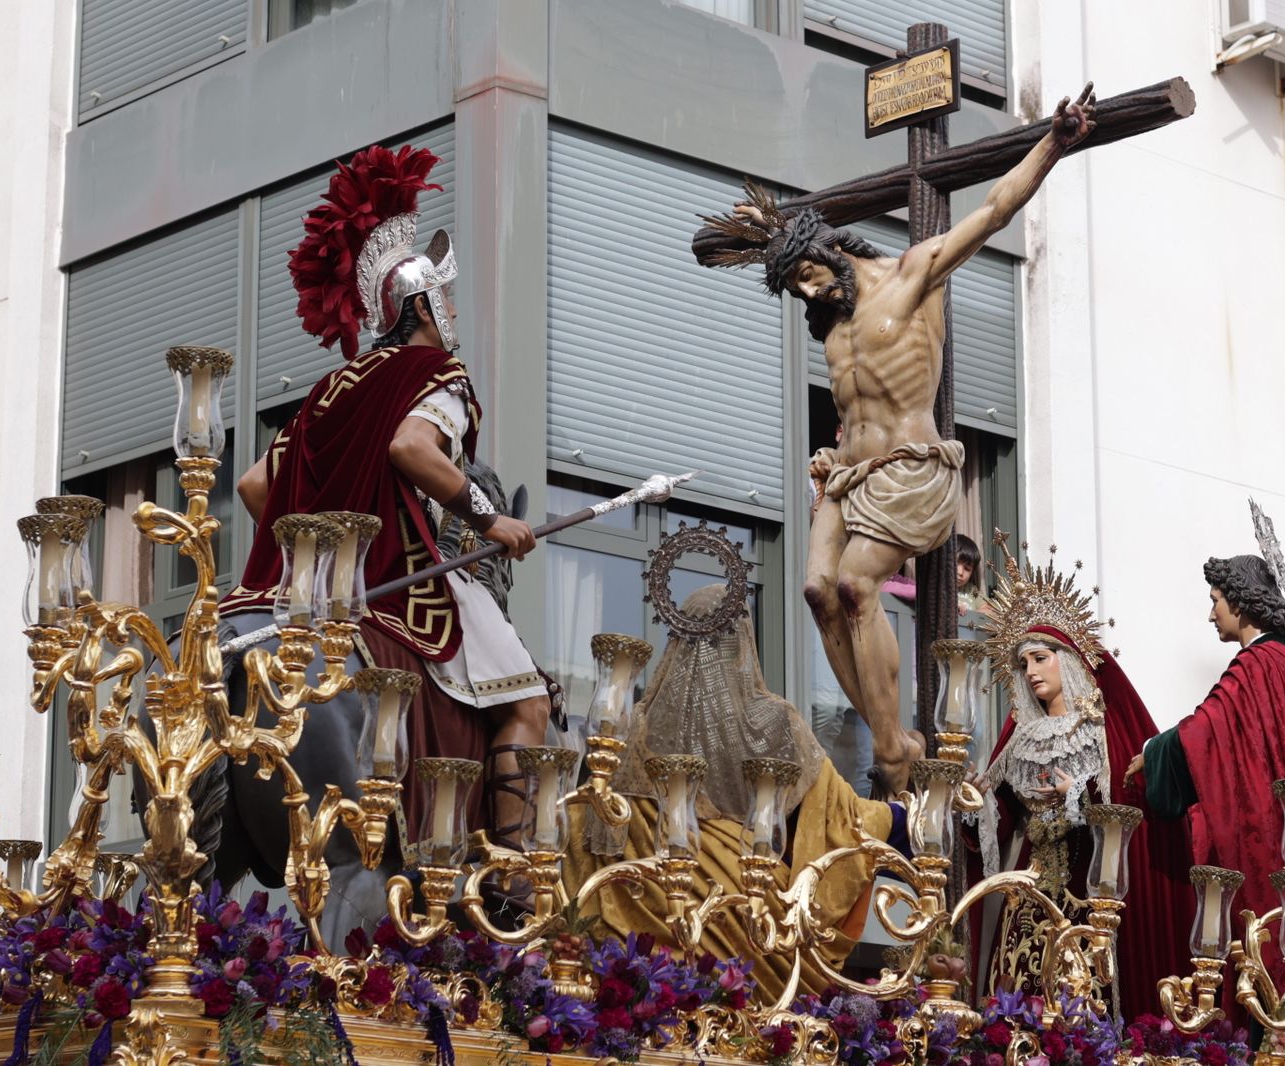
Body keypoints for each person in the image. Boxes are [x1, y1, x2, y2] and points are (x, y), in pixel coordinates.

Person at [702, 85, 1098, 795]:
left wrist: (1055, 143)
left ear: (828, 249)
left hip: (911, 471)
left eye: (808, 276)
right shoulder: (834, 319)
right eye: (794, 288)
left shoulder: (913, 276)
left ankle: (891, 750)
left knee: (857, 586)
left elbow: (993, 209)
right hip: (847, 475)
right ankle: (893, 735)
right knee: (817, 591)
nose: (808, 294)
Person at [223, 144, 552, 847]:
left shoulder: (329, 391)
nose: (455, 309)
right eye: (448, 296)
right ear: (423, 306)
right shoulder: (437, 371)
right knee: (528, 700)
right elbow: (410, 447)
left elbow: (255, 487)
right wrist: (493, 521)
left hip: (291, 596)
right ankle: (517, 874)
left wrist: (311, 560)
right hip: (400, 584)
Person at [562, 584, 911, 1000]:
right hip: (754, 923)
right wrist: (905, 818)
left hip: (646, 934)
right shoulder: (777, 723)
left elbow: (591, 822)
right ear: (745, 645)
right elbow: (840, 818)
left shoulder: (632, 733)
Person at [1125, 551, 1285, 1015]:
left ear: (1241, 602)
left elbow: (1209, 730)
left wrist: (1151, 754)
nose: (1211, 613)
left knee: (1267, 968)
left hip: (1274, 848)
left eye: (1216, 601)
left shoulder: (1256, 666)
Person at [967, 549, 1193, 1018]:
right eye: (1024, 662)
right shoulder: (1020, 737)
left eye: (1040, 658)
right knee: (1015, 1001)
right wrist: (974, 802)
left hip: (1086, 887)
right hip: (1027, 894)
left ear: (1066, 660)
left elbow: (1131, 805)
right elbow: (1000, 817)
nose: (1030, 672)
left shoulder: (1102, 731)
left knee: (1080, 1001)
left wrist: (1079, 795)